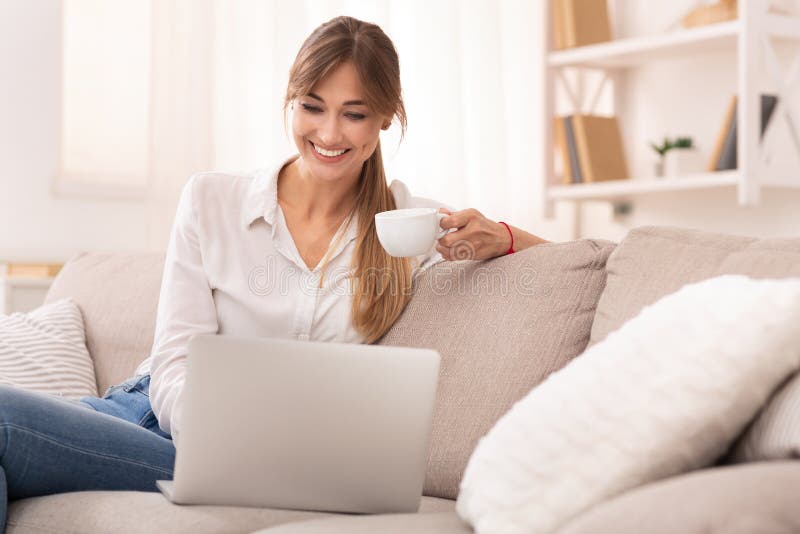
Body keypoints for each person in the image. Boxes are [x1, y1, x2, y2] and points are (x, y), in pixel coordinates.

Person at [0, 15, 548, 531]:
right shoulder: (212, 199)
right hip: (152, 418)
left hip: (278, 461)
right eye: (313, 106)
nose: (329, 133)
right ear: (291, 100)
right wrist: (221, 449)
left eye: (354, 114)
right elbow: (173, 360)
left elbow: (586, 261)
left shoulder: (407, 226)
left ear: (386, 119)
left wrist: (501, 235)